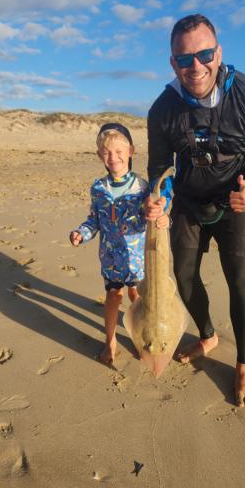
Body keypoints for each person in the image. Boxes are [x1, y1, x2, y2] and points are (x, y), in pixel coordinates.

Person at [145, 14, 245, 408]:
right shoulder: (162, 109)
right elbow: (159, 167)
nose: (196, 66)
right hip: (189, 202)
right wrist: (159, 196)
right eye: (184, 58)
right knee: (183, 276)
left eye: (205, 54)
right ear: (172, 62)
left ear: (219, 53)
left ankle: (244, 365)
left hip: (237, 201)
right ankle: (208, 335)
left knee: (239, 281)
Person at [70, 122, 168, 364]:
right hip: (111, 260)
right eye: (106, 153)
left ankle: (141, 338)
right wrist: (82, 233)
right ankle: (110, 342)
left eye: (119, 151)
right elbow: (94, 220)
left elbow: (156, 217)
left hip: (136, 261)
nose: (113, 158)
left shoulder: (142, 188)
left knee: (137, 298)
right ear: (99, 155)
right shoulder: (98, 188)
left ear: (131, 151)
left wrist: (164, 218)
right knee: (113, 297)